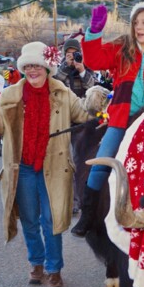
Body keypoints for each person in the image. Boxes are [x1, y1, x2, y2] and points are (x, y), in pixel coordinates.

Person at [0, 41, 107, 287]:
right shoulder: (12, 95)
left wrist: (96, 98)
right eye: (28, 66)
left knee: (52, 220)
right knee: (29, 221)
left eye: (37, 65)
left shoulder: (61, 92)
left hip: (55, 168)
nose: (33, 70)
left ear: (47, 67)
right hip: (22, 168)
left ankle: (54, 269)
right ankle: (36, 264)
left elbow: (85, 115)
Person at [71, 2, 144, 237]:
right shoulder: (122, 48)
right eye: (136, 23)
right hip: (120, 120)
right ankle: (88, 214)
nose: (139, 27)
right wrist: (94, 33)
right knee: (102, 161)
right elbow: (95, 60)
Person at [54, 38, 97, 216]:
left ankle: (80, 200)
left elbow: (92, 88)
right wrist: (66, 66)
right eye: (68, 54)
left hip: (82, 121)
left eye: (75, 53)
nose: (72, 57)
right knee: (65, 162)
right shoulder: (60, 69)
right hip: (63, 121)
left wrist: (81, 70)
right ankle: (69, 200)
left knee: (80, 162)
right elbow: (56, 85)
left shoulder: (85, 67)